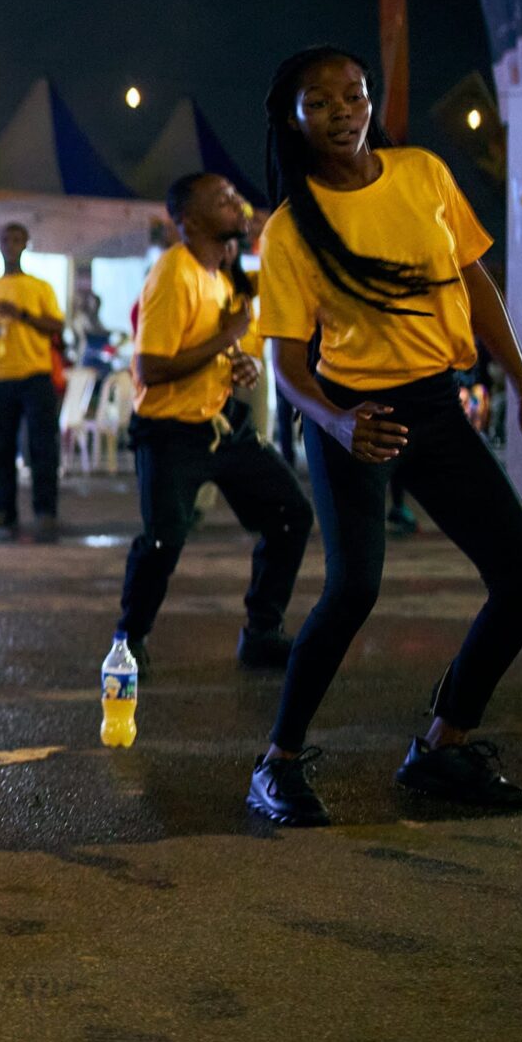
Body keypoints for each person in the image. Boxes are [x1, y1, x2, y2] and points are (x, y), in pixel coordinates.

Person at [246, 46, 522, 827]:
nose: (343, 112)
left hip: (437, 406)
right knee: (353, 588)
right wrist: (337, 422)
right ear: (293, 119)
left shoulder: (422, 173)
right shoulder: (289, 229)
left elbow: (475, 284)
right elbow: (288, 366)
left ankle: (442, 746)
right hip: (353, 416)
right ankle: (276, 762)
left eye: (354, 95)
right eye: (320, 103)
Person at [113, 174, 311, 674]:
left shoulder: (220, 277)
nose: (238, 205)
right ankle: (128, 642)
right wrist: (227, 338)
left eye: (236, 197)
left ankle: (262, 633)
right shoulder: (173, 273)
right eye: (224, 200)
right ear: (189, 220)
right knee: (163, 542)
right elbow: (150, 369)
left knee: (291, 514)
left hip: (222, 424)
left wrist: (240, 362)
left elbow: (219, 351)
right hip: (170, 432)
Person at [0, 223, 67, 534]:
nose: (11, 245)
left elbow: (56, 325)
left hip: (35, 374)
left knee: (42, 446)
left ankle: (46, 510)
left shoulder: (40, 287)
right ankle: (5, 510)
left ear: (26, 244)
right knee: (0, 447)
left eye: (17, 240)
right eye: (6, 240)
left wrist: (22, 315)